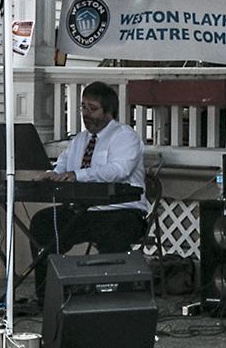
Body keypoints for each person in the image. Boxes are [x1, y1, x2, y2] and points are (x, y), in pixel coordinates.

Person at [28, 81, 148, 297]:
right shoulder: (80, 139)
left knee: (114, 233)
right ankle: (48, 295)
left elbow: (119, 170)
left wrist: (77, 176)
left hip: (123, 211)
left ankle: (111, 295)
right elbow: (64, 166)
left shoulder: (125, 135)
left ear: (108, 111)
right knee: (42, 223)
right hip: (84, 211)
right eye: (83, 107)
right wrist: (51, 175)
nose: (85, 114)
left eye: (92, 109)